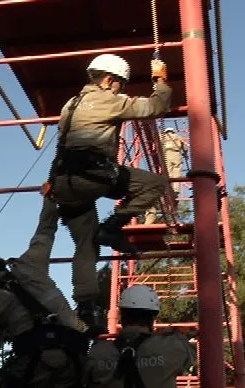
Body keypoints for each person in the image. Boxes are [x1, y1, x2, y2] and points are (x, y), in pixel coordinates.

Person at [43, 53, 171, 326]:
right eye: (120, 85)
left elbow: (61, 146)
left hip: (64, 183)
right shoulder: (107, 99)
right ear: (110, 80)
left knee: (85, 246)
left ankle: (87, 307)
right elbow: (157, 106)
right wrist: (160, 79)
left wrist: (51, 181)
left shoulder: (71, 104)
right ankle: (113, 226)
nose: (120, 90)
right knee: (155, 184)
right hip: (94, 177)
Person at [0, 198, 95, 388]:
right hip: (76, 356)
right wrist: (49, 199)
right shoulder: (31, 264)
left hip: (34, 363)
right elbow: (46, 230)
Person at [84, 285, 196, 388]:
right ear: (152, 318)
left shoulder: (98, 352)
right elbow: (190, 355)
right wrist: (180, 335)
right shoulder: (172, 347)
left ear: (121, 316)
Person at [144, 127, 189, 224]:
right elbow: (185, 147)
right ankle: (175, 190)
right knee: (176, 174)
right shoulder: (177, 137)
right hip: (176, 155)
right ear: (172, 131)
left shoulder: (162, 136)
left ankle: (167, 187)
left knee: (167, 173)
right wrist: (185, 153)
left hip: (166, 155)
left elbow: (155, 142)